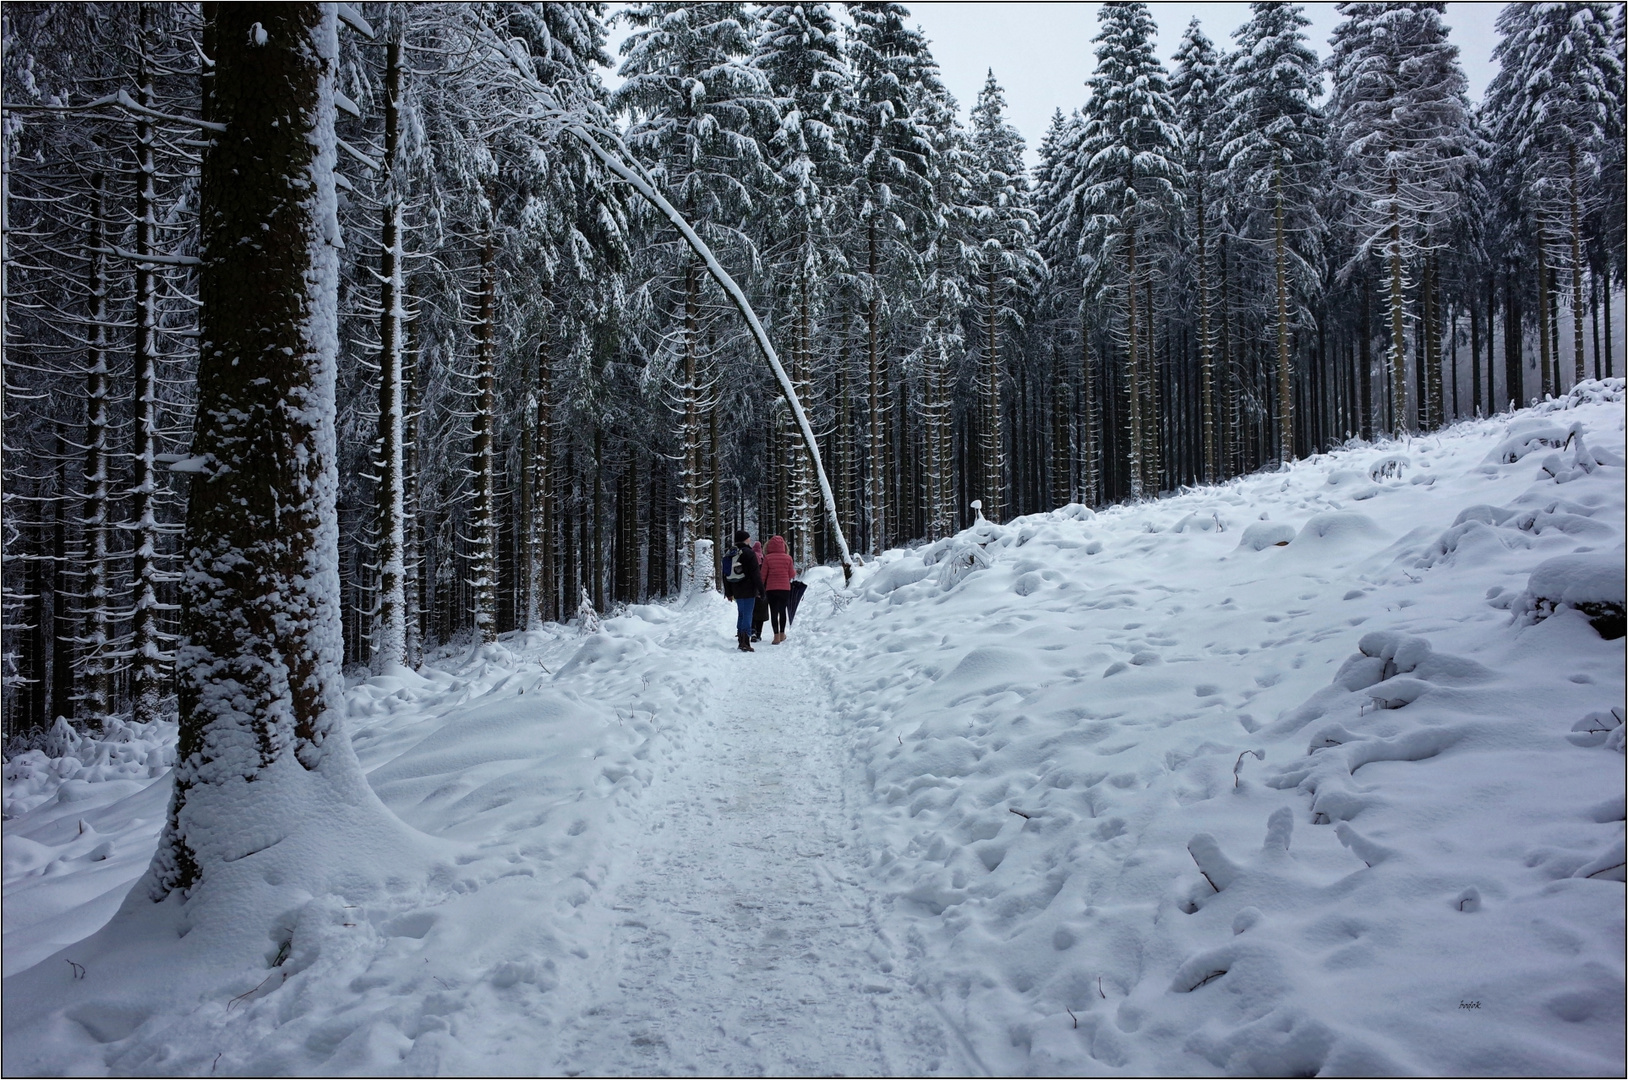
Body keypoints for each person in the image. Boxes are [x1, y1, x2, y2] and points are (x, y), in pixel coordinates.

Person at [721, 529, 764, 652]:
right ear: (746, 539)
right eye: (748, 538)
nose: (750, 540)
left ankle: (741, 639)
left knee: (741, 613)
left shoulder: (730, 553)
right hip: (749, 589)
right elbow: (756, 574)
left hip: (736, 588)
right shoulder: (749, 553)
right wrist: (761, 590)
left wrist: (728, 592)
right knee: (748, 614)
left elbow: (725, 574)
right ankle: (745, 641)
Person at [760, 534, 796, 645]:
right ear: (783, 546)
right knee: (782, 611)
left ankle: (775, 636)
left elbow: (763, 576)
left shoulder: (767, 558)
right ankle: (782, 634)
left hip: (771, 589)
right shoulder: (788, 558)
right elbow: (792, 574)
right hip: (785, 588)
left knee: (774, 612)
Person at [750, 539, 768, 642]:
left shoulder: (751, 557)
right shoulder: (764, 558)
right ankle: (759, 634)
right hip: (763, 588)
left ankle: (752, 630)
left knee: (752, 611)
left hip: (752, 588)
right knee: (761, 613)